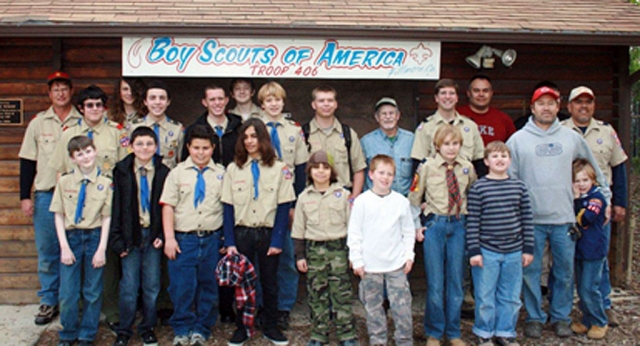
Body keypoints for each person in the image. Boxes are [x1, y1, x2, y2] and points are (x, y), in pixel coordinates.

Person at [506, 86, 611, 339]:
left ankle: (561, 317)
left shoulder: (571, 138)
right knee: (531, 273)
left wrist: (604, 199)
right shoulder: (518, 140)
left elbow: (593, 170)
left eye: (551, 103)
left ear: (557, 107)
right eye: (541, 103)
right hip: (531, 220)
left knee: (564, 272)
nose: (546, 108)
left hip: (565, 219)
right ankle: (534, 317)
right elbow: (509, 180)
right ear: (532, 108)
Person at [49, 84, 129, 330]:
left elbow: (125, 170)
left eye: (98, 104)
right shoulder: (68, 133)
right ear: (81, 108)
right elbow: (61, 171)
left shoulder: (117, 132)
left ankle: (111, 310)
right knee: (72, 266)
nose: (94, 109)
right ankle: (76, 315)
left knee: (107, 262)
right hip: (75, 206)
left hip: (107, 202)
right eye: (89, 105)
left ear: (104, 107)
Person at [222, 118, 296, 346]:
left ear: (263, 138)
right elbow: (228, 207)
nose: (249, 141)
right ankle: (243, 327)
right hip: (242, 232)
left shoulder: (279, 168)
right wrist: (230, 241)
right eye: (245, 137)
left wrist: (277, 240)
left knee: (270, 281)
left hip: (268, 233)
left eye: (254, 136)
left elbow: (284, 206)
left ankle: (271, 325)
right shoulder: (234, 169)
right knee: (243, 283)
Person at [19, 71, 83, 325]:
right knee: (48, 250)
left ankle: (72, 300)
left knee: (77, 248)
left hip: (78, 196)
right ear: (49, 93)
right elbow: (27, 161)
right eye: (55, 89)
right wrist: (25, 196)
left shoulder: (81, 121)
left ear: (70, 91)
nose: (60, 93)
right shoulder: (38, 123)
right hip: (47, 194)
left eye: (64, 88)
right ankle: (48, 301)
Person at [561, 86, 628, 327]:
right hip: (569, 206)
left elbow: (618, 167)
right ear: (569, 107)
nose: (583, 106)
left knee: (597, 259)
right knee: (572, 260)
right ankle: (571, 311)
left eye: (588, 102)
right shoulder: (560, 131)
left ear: (594, 105)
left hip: (601, 207)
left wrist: (619, 202)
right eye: (578, 102)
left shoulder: (607, 131)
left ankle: (603, 306)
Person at [409, 124, 477, 346]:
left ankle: (454, 332)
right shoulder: (427, 167)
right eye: (446, 144)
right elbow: (414, 200)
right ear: (437, 146)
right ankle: (434, 333)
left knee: (456, 281)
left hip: (459, 225)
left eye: (455, 143)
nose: (451, 148)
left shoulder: (466, 167)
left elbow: (473, 196)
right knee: (436, 283)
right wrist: (417, 225)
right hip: (435, 225)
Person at [160, 124, 226, 346]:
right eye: (196, 147)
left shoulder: (221, 174)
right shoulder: (176, 174)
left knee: (209, 285)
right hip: (183, 240)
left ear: (212, 148)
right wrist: (169, 238)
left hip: (211, 238)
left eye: (205, 148)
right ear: (188, 147)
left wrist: (226, 238)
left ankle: (201, 328)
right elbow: (168, 206)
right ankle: (182, 328)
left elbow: (227, 207)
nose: (200, 152)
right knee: (182, 286)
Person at [466, 141, 534, 346]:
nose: (500, 159)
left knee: (511, 296)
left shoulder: (519, 187)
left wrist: (528, 249)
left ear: (510, 160)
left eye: (503, 156)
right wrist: (474, 251)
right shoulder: (479, 187)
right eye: (494, 156)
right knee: (485, 295)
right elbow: (473, 221)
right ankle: (484, 332)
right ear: (486, 161)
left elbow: (527, 219)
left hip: (514, 251)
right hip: (487, 251)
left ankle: (505, 331)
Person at [110, 126, 170, 346]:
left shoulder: (163, 172)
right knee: (129, 286)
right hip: (130, 235)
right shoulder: (122, 171)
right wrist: (117, 240)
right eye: (140, 144)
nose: (144, 148)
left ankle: (147, 327)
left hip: (153, 235)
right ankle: (124, 330)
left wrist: (162, 234)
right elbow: (116, 208)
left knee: (152, 285)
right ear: (131, 146)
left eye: (149, 144)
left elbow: (168, 206)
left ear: (155, 147)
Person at [49, 136, 112, 346]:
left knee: (92, 291)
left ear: (95, 151)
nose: (85, 157)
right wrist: (64, 247)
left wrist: (102, 248)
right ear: (72, 158)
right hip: (71, 238)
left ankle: (87, 334)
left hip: (94, 237)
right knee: (68, 292)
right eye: (79, 154)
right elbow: (58, 214)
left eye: (88, 151)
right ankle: (68, 333)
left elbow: (107, 217)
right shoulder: (64, 182)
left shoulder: (105, 183)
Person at [292, 150, 358, 346]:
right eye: (316, 168)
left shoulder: (343, 195)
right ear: (310, 171)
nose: (321, 172)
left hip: (338, 250)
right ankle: (318, 333)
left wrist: (353, 254)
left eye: (325, 168)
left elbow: (352, 228)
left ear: (332, 171)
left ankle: (347, 334)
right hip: (314, 252)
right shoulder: (304, 198)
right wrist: (300, 255)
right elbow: (298, 230)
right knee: (317, 294)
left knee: (342, 293)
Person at [257, 81, 308, 329]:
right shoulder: (254, 129)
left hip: (285, 200)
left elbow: (300, 169)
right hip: (259, 201)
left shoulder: (294, 130)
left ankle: (284, 307)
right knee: (260, 256)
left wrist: (294, 205)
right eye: (269, 100)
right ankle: (260, 305)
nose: (274, 104)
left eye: (277, 99)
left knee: (287, 255)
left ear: (283, 102)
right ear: (262, 104)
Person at [349, 154, 415, 346]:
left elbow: (408, 231)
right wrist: (357, 260)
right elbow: (354, 233)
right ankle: (378, 340)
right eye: (381, 173)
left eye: (390, 174)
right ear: (371, 174)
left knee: (401, 307)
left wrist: (408, 256)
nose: (385, 178)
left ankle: (404, 340)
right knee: (373, 307)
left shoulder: (400, 202)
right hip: (370, 266)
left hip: (396, 264)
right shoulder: (361, 202)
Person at [569, 159, 610, 340]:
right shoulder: (580, 197)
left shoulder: (596, 198)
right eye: (577, 181)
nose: (581, 184)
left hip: (594, 250)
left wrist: (577, 201)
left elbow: (586, 219)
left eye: (585, 180)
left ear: (593, 179)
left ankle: (600, 320)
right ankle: (587, 320)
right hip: (579, 249)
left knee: (589, 288)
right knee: (582, 286)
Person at [304, 85, 367, 200]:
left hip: (342, 197)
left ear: (336, 104)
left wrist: (354, 199)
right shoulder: (303, 133)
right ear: (314, 105)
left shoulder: (348, 134)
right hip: (311, 197)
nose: (326, 104)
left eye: (330, 100)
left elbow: (359, 169)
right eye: (321, 101)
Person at [410, 78, 484, 175]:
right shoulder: (426, 127)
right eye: (443, 93)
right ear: (436, 98)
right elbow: (418, 162)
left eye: (452, 93)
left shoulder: (470, 126)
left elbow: (479, 161)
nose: (447, 97)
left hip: (465, 182)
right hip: (436, 184)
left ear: (457, 98)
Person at [360, 97, 415, 196]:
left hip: (405, 200)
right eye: (384, 114)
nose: (388, 117)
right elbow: (359, 171)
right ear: (377, 117)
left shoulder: (411, 140)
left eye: (391, 113)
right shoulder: (366, 142)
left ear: (398, 116)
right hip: (376, 200)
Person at [181, 84, 242, 167]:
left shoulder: (239, 127)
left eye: (220, 99)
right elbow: (186, 162)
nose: (217, 103)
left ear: (226, 100)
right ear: (205, 102)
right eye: (212, 99)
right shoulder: (193, 130)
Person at [130, 80, 184, 169]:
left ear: (168, 102)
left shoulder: (177, 129)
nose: (157, 102)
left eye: (162, 98)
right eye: (152, 98)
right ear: (145, 101)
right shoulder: (133, 127)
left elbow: (182, 161)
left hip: (168, 178)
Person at [457, 75, 516, 145]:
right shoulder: (457, 115)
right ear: (468, 93)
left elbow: (513, 146)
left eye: (485, 91)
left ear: (491, 93)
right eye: (476, 90)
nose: (481, 94)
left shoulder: (504, 119)